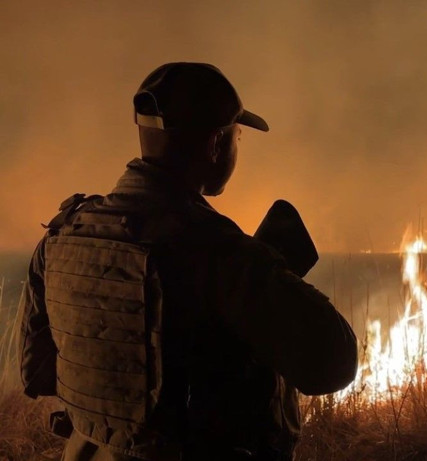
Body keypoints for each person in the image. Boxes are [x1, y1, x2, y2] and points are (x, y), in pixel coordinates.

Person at [18, 62, 358, 460]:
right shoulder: (217, 250)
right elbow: (333, 364)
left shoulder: (62, 235)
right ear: (216, 144)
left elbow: (37, 371)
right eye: (237, 137)